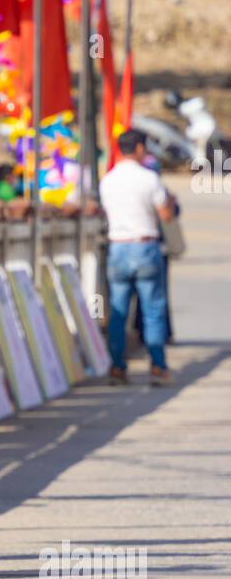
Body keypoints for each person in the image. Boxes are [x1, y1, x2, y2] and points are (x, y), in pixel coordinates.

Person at [99, 128, 176, 387]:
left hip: (118, 248)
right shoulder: (149, 179)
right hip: (145, 246)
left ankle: (118, 368)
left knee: (118, 312)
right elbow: (166, 216)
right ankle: (157, 367)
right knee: (153, 310)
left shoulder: (108, 180)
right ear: (140, 149)